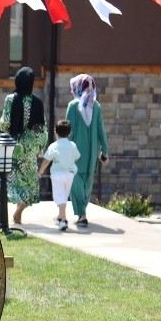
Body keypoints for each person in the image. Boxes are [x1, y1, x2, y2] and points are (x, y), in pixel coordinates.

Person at [0, 66, 47, 225]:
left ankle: (16, 213)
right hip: (30, 149)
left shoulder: (10, 99)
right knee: (31, 183)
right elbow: (43, 130)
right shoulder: (38, 103)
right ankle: (19, 211)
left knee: (13, 182)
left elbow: (5, 124)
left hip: (13, 147)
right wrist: (40, 147)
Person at [66, 73, 110, 227]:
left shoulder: (73, 106)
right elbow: (101, 130)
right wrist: (105, 151)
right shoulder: (96, 106)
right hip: (91, 152)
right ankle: (83, 212)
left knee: (75, 180)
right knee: (87, 181)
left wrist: (63, 147)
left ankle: (81, 213)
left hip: (75, 152)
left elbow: (68, 130)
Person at [38, 119, 80, 231]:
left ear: (55, 132)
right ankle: (60, 216)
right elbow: (76, 157)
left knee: (59, 197)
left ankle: (63, 220)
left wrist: (41, 171)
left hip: (57, 174)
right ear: (69, 133)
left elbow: (46, 160)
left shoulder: (54, 146)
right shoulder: (72, 145)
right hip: (70, 174)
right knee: (64, 197)